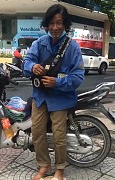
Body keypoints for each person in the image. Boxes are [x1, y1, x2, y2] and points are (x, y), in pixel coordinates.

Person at [22, 4, 84, 180]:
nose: (55, 27)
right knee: (37, 132)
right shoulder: (38, 43)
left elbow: (78, 76)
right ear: (47, 24)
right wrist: (32, 67)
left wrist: (57, 82)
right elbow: (26, 62)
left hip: (61, 98)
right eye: (52, 23)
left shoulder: (73, 47)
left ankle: (60, 168)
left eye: (59, 23)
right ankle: (44, 164)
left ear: (65, 25)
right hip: (40, 97)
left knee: (59, 135)